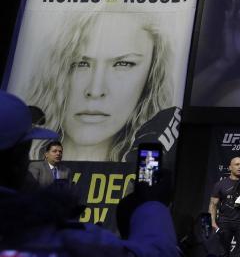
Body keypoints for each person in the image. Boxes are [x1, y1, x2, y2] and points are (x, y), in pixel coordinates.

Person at [24, 11, 172, 162]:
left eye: (123, 64)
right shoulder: (18, 169)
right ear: (52, 73)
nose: (95, 91)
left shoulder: (148, 165)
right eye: (79, 64)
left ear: (151, 78)